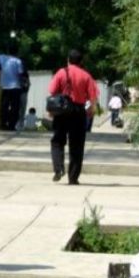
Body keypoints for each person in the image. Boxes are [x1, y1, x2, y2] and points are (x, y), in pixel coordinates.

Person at [48, 49, 97, 185]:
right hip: (78, 111)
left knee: (57, 141)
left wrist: (51, 110)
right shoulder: (86, 76)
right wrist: (91, 111)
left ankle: (58, 169)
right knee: (77, 145)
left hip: (62, 111)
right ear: (81, 62)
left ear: (68, 60)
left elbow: (52, 91)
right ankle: (73, 177)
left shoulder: (61, 73)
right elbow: (92, 97)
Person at [0, 52, 25, 130]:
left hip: (5, 87)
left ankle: (3, 124)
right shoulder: (18, 61)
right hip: (16, 87)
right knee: (15, 107)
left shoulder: (2, 57)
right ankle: (12, 125)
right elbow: (21, 73)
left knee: (4, 106)